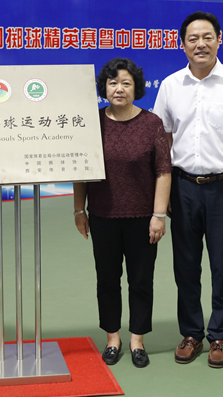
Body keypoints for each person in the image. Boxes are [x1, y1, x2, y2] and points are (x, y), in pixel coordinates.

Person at [152, 11, 223, 368]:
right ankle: (191, 333)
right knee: (185, 265)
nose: (200, 44)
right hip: (182, 186)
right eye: (193, 39)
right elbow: (163, 140)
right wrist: (164, 193)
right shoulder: (171, 85)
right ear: (182, 44)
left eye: (207, 37)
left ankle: (220, 336)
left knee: (222, 265)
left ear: (219, 40)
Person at [72, 58, 172, 369]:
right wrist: (78, 209)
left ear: (136, 88)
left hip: (143, 218)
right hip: (102, 216)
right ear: (104, 87)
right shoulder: (91, 122)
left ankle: (137, 340)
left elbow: (163, 171)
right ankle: (112, 338)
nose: (119, 89)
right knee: (107, 279)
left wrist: (159, 215)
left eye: (126, 83)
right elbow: (81, 169)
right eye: (113, 82)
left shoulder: (152, 123)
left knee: (141, 280)